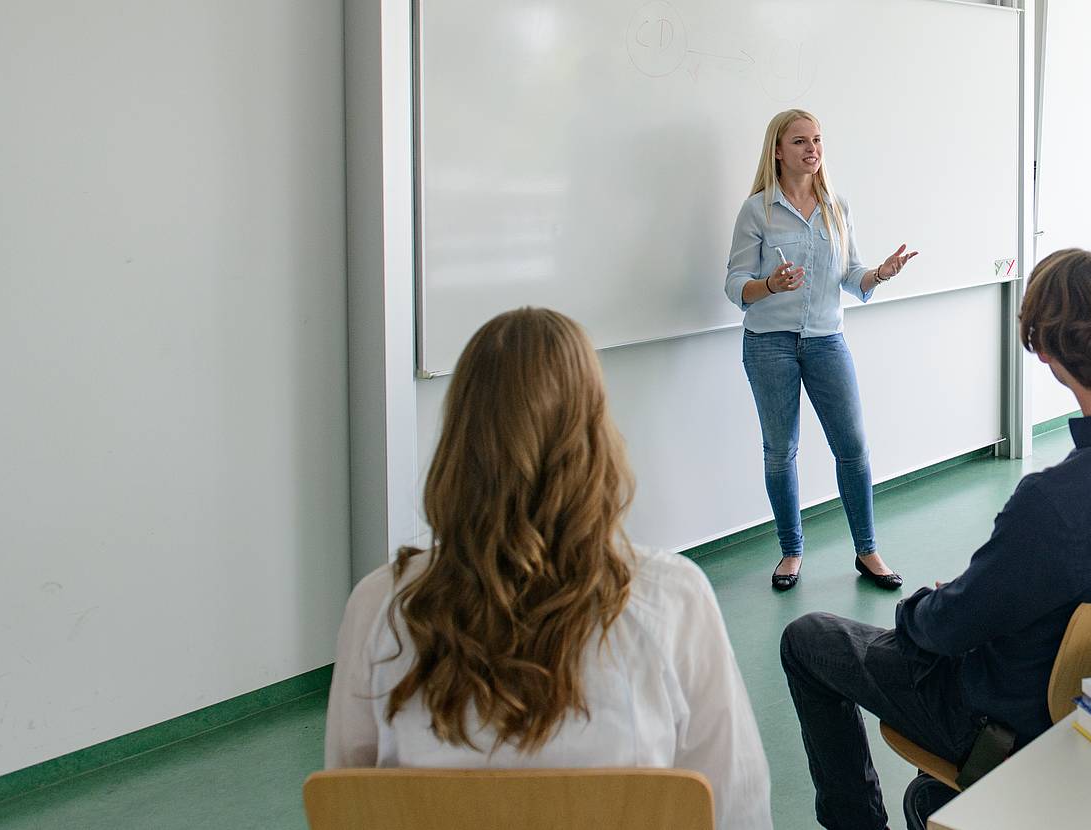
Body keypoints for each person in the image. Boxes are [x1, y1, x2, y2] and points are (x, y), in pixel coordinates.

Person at [779, 250, 1091, 830]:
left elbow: (945, 631)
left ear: (1044, 353)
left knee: (808, 638)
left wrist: (920, 605)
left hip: (1009, 716)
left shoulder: (1056, 503)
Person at [323, 308, 772, 830]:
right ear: (595, 439)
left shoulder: (381, 608)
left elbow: (347, 805)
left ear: (459, 444)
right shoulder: (672, 601)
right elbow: (739, 812)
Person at [725, 109, 918, 592]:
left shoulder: (837, 206)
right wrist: (769, 284)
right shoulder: (757, 210)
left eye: (817, 140)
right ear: (777, 151)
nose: (812, 149)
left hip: (826, 340)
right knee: (780, 451)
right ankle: (791, 552)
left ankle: (867, 551)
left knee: (852, 448)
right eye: (799, 142)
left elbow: (850, 275)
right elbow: (734, 285)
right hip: (769, 343)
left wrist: (879, 274)